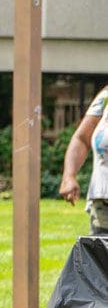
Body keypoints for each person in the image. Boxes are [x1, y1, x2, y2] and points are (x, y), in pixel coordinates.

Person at [59, 86, 108, 235]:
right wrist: (69, 176)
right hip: (103, 203)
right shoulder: (105, 97)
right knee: (100, 257)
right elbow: (81, 139)